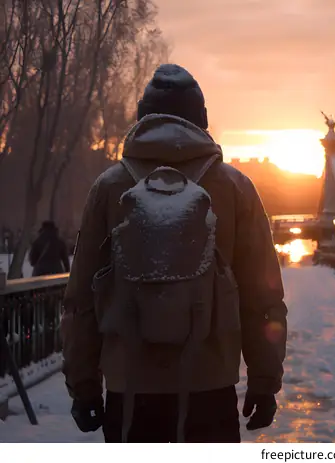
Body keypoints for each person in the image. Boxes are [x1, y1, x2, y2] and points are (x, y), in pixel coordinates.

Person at [60, 64, 287, 443]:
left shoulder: (109, 186)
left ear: (141, 119)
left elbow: (81, 298)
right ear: (203, 121)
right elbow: (261, 298)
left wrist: (83, 385)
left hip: (129, 392)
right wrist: (264, 381)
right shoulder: (235, 187)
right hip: (209, 389)